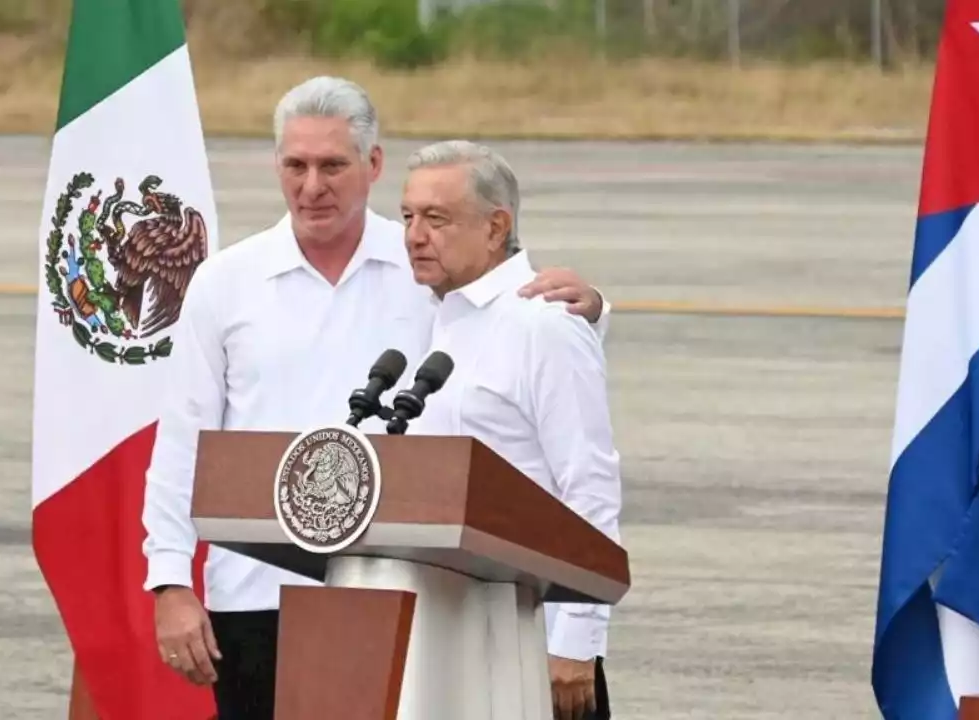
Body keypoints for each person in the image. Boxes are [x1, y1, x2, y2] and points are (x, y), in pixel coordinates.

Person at [140, 76, 612, 719]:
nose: (313, 186)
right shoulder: (226, 282)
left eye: (333, 164)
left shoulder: (426, 264)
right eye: (296, 165)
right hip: (255, 592)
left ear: (373, 164)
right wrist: (170, 579)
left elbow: (517, 339)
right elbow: (183, 440)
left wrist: (591, 313)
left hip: (402, 594)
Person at [398, 139, 623, 720]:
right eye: (408, 216)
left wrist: (576, 641)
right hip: (448, 633)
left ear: (497, 228)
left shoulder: (543, 325)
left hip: (533, 637)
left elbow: (590, 486)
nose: (414, 235)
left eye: (436, 218)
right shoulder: (437, 314)